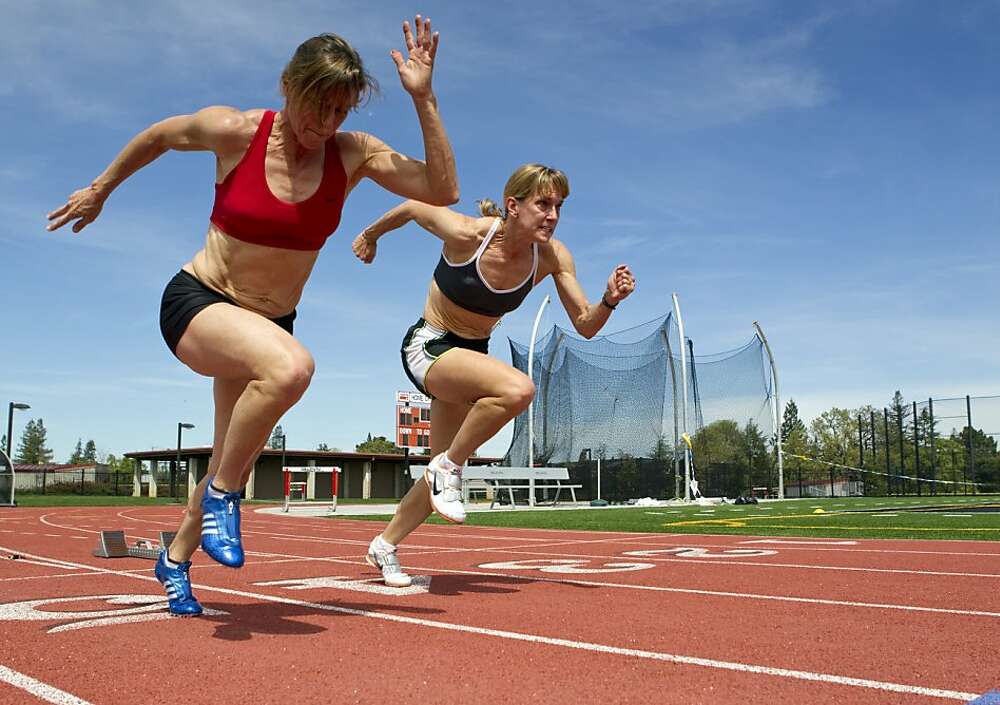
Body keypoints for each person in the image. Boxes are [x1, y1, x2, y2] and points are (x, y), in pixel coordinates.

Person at [46, 19, 459, 615]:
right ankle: (223, 496)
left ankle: (176, 559)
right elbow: (161, 136)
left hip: (267, 326)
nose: (325, 125)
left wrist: (424, 97)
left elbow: (442, 189)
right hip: (200, 303)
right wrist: (101, 188)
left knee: (228, 452)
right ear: (287, 86)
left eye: (340, 112)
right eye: (316, 107)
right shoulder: (235, 131)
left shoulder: (353, 154)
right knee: (291, 371)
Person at [352, 163, 635, 587]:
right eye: (543, 204)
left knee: (436, 480)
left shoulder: (553, 256)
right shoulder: (470, 234)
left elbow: (585, 324)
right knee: (519, 388)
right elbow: (412, 207)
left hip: (471, 358)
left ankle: (385, 544)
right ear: (513, 206)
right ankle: (450, 468)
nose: (553, 215)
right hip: (431, 346)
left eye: (559, 206)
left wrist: (609, 301)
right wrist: (369, 236)